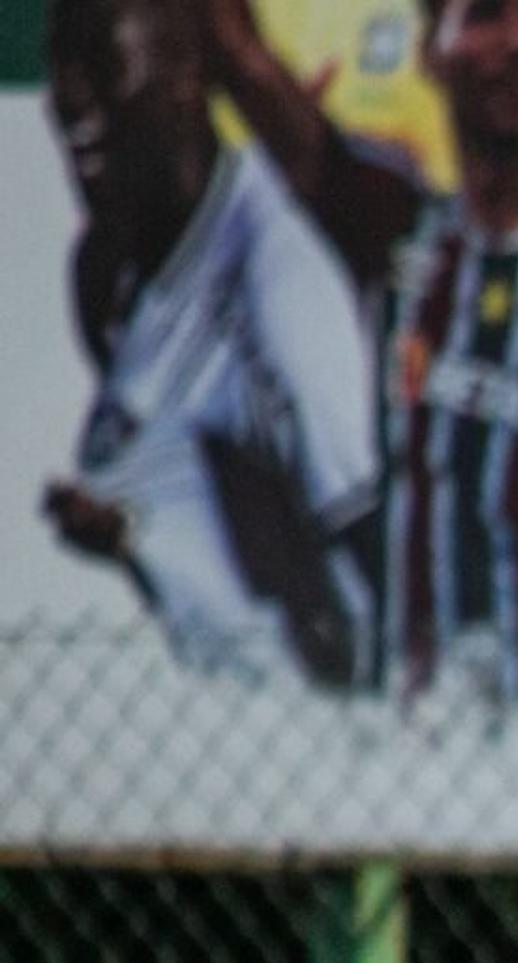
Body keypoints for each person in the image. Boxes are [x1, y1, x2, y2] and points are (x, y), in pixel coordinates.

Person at [201, 0, 518, 731]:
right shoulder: (399, 236)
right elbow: (243, 65)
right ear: (431, 53)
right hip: (424, 743)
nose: (517, 42)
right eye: (484, 16)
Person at [42, 0, 381, 688]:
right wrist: (131, 542)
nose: (74, 101)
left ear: (185, 77)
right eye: (62, 68)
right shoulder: (105, 276)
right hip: (202, 709)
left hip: (300, 731)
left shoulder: (281, 292)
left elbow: (363, 565)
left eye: (105, 66)